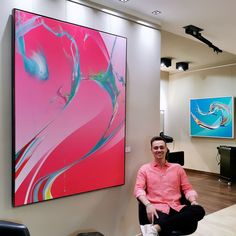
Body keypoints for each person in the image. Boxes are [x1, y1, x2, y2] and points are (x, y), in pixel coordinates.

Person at [134, 136, 205, 236]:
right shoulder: (144, 169)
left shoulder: (177, 168)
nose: (159, 150)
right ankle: (159, 227)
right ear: (151, 150)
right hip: (157, 209)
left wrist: (193, 201)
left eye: (162, 147)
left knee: (199, 210)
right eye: (156, 148)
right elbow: (138, 190)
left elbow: (187, 188)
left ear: (166, 149)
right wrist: (148, 205)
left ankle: (155, 229)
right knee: (171, 227)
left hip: (177, 207)